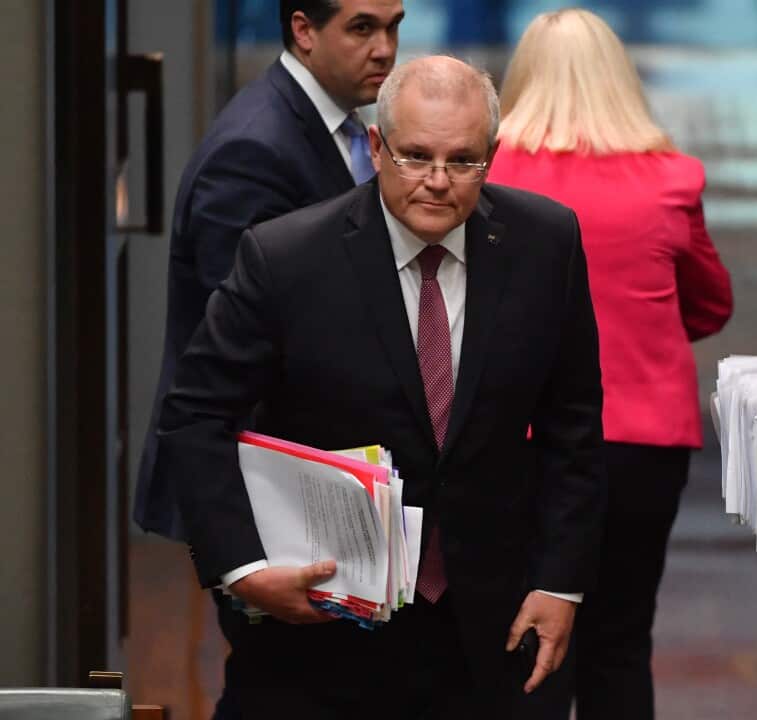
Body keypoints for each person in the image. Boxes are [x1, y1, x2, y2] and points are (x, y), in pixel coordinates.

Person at [153, 55, 607, 718]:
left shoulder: (545, 243)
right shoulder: (285, 258)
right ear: (375, 146)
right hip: (321, 627)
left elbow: (574, 424)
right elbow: (194, 417)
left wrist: (560, 583)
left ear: (493, 155)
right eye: (416, 156)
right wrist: (243, 569)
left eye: (463, 161)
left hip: (491, 628)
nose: (437, 182)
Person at [485, 9, 733, 720]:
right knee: (621, 640)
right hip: (644, 444)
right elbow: (710, 307)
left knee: (527, 637)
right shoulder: (671, 180)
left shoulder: (491, 176)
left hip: (521, 443)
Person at [134, 0, 403, 540]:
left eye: (394, 27)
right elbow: (245, 343)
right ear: (303, 30)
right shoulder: (253, 151)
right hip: (258, 485)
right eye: (362, 28)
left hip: (297, 473)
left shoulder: (338, 128)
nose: (385, 49)